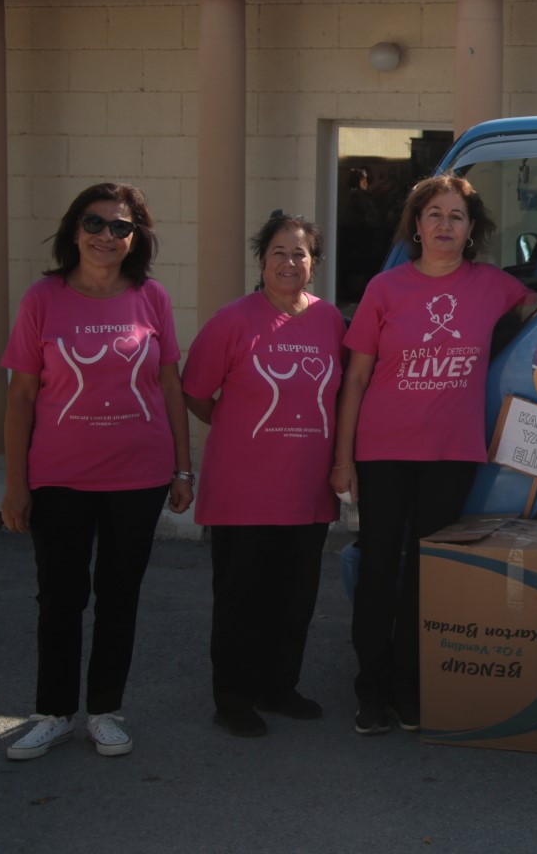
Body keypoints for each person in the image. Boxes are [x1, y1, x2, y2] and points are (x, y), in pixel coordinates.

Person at [333, 174, 537, 735]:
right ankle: (370, 691)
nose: (444, 225)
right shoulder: (385, 289)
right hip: (382, 451)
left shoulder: (492, 284)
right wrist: (342, 459)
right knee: (378, 572)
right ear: (416, 225)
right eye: (434, 214)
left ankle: (409, 689)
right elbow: (355, 378)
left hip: (451, 453)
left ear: (472, 229)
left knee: (426, 576)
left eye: (456, 216)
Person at [0, 182, 194, 760]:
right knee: (60, 597)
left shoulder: (151, 297)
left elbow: (170, 386)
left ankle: (105, 711)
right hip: (59, 477)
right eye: (95, 223)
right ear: (74, 230)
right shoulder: (43, 298)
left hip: (139, 475)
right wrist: (15, 484)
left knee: (119, 596)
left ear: (136, 237)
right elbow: (21, 397)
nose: (106, 235)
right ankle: (54, 712)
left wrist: (184, 471)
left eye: (121, 226)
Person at [182, 213, 345, 737]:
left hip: (307, 489)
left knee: (295, 599)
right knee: (241, 599)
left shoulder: (331, 321)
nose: (289, 262)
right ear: (261, 260)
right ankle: (232, 698)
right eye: (279, 252)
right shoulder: (232, 321)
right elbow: (195, 393)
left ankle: (279, 687)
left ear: (314, 264)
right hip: (242, 490)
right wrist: (235, 424)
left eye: (300, 253)